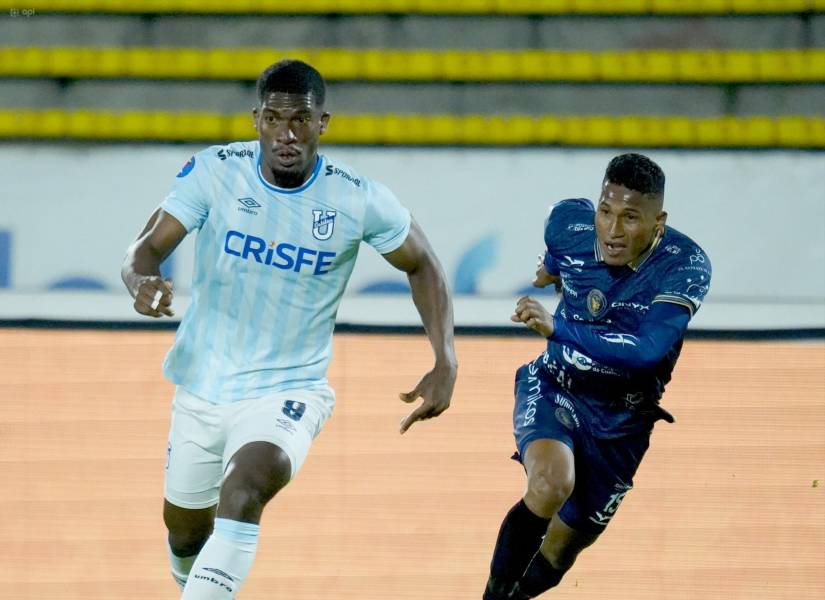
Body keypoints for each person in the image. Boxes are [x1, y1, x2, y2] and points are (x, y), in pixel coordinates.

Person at [121, 59, 457, 599]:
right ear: (256, 119)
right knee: (185, 532)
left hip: (288, 388)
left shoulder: (356, 197)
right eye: (274, 119)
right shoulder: (215, 172)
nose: (286, 134)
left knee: (246, 487)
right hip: (203, 386)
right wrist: (140, 279)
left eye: (300, 120)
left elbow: (424, 263)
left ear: (323, 122)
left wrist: (446, 360)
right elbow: (146, 248)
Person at [484, 153, 711, 599]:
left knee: (561, 553)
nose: (612, 230)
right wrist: (551, 267)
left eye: (630, 218)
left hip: (623, 423)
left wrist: (558, 326)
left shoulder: (684, 266)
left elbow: (648, 353)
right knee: (552, 481)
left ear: (658, 222)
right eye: (605, 212)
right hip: (556, 386)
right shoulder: (570, 223)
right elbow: (557, 244)